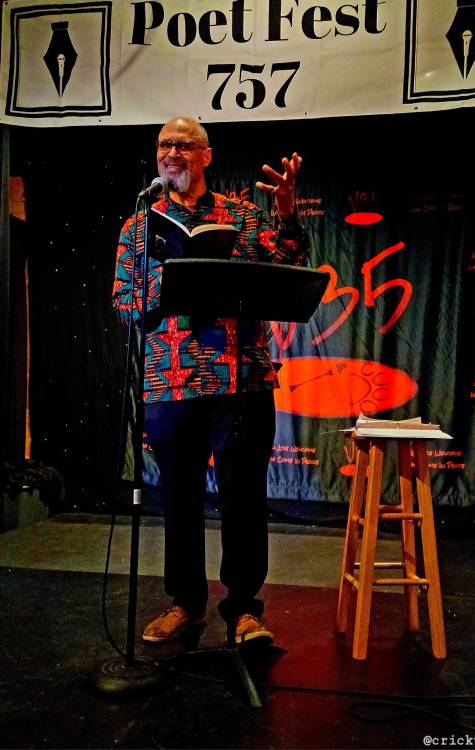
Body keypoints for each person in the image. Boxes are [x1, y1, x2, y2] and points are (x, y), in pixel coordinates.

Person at [112, 117, 309, 645]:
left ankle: (244, 610)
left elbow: (288, 265)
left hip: (240, 378)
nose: (171, 153)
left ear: (206, 155)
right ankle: (186, 603)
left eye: (183, 144)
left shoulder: (242, 216)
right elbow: (125, 303)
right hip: (171, 381)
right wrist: (172, 281)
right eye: (164, 144)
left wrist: (286, 213)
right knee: (179, 498)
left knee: (242, 498)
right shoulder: (140, 225)